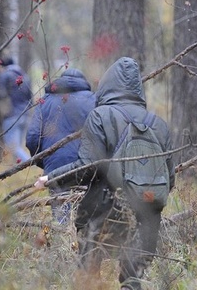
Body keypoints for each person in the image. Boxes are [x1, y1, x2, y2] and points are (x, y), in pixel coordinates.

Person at [34, 57, 174, 290]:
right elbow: (169, 179)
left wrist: (51, 177)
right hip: (148, 215)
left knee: (88, 276)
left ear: (108, 85)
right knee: (132, 280)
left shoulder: (100, 117)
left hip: (104, 213)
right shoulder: (158, 124)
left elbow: (88, 167)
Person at [26, 68, 96, 224]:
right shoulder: (94, 100)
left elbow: (32, 138)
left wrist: (46, 162)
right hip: (86, 165)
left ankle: (62, 244)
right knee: (85, 216)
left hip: (55, 167)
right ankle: (82, 244)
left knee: (61, 219)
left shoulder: (46, 101)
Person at [0, 57, 33, 163]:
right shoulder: (25, 76)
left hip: (12, 115)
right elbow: (30, 97)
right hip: (25, 115)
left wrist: (2, 111)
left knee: (13, 147)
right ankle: (19, 170)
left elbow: (1, 94)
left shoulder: (5, 75)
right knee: (18, 147)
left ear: (3, 66)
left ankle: (30, 163)